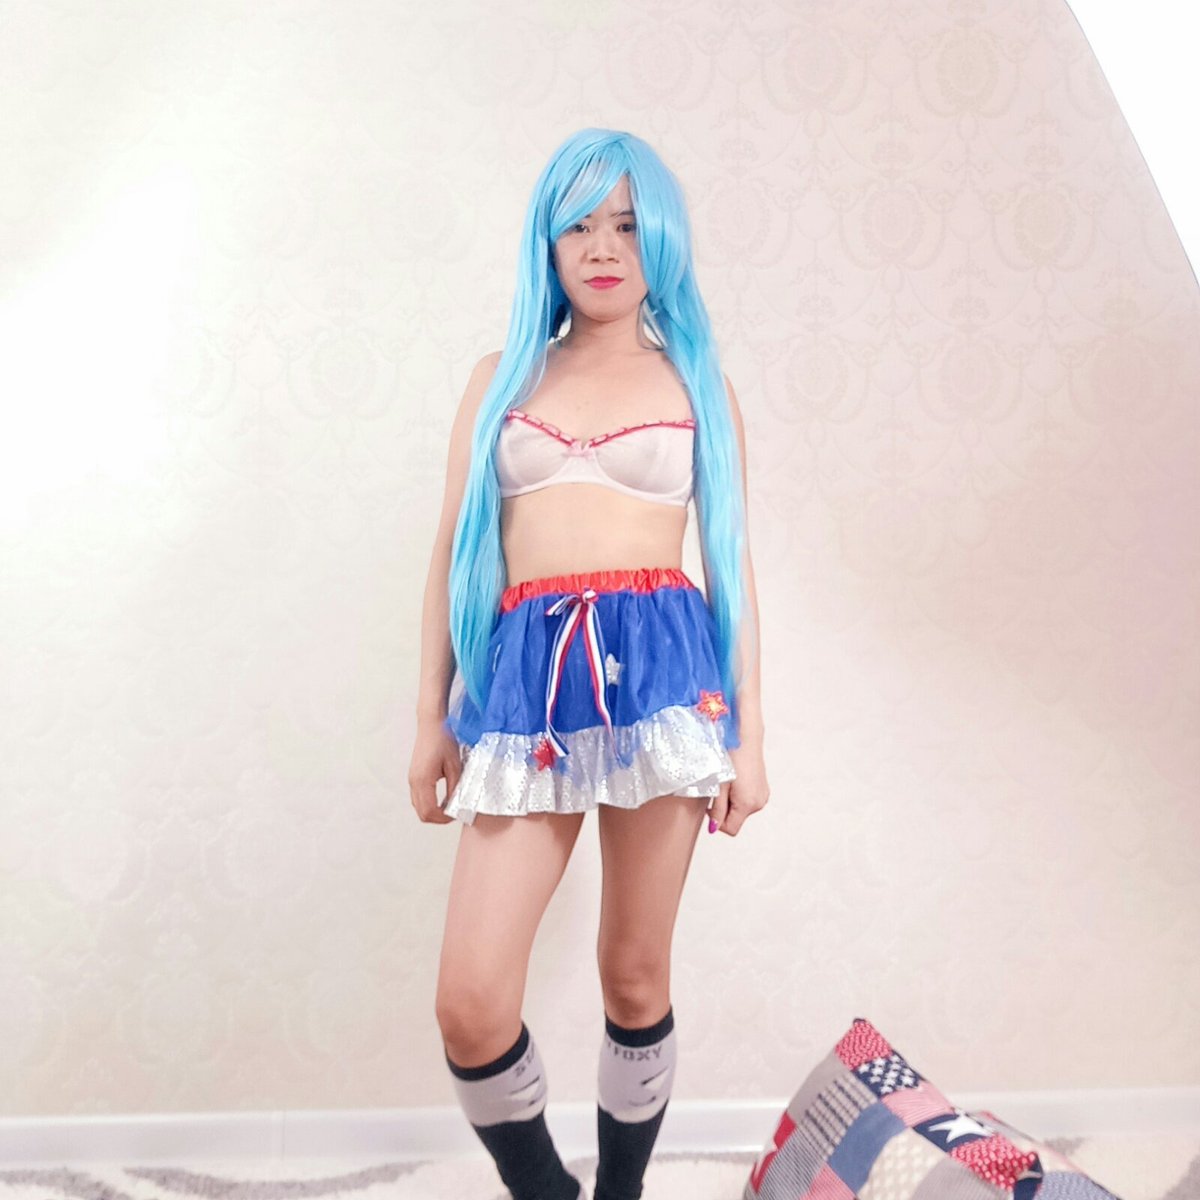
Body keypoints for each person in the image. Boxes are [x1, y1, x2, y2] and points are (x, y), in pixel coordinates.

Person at [408, 128, 769, 1200]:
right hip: (527, 682)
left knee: (634, 972)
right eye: (578, 225)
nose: (603, 246)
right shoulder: (500, 379)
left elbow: (734, 571)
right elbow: (450, 553)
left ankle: (620, 1193)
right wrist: (428, 719)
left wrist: (750, 741)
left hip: (665, 678)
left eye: (627, 224)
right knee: (471, 1002)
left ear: (663, 240)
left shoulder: (696, 383)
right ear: (547, 242)